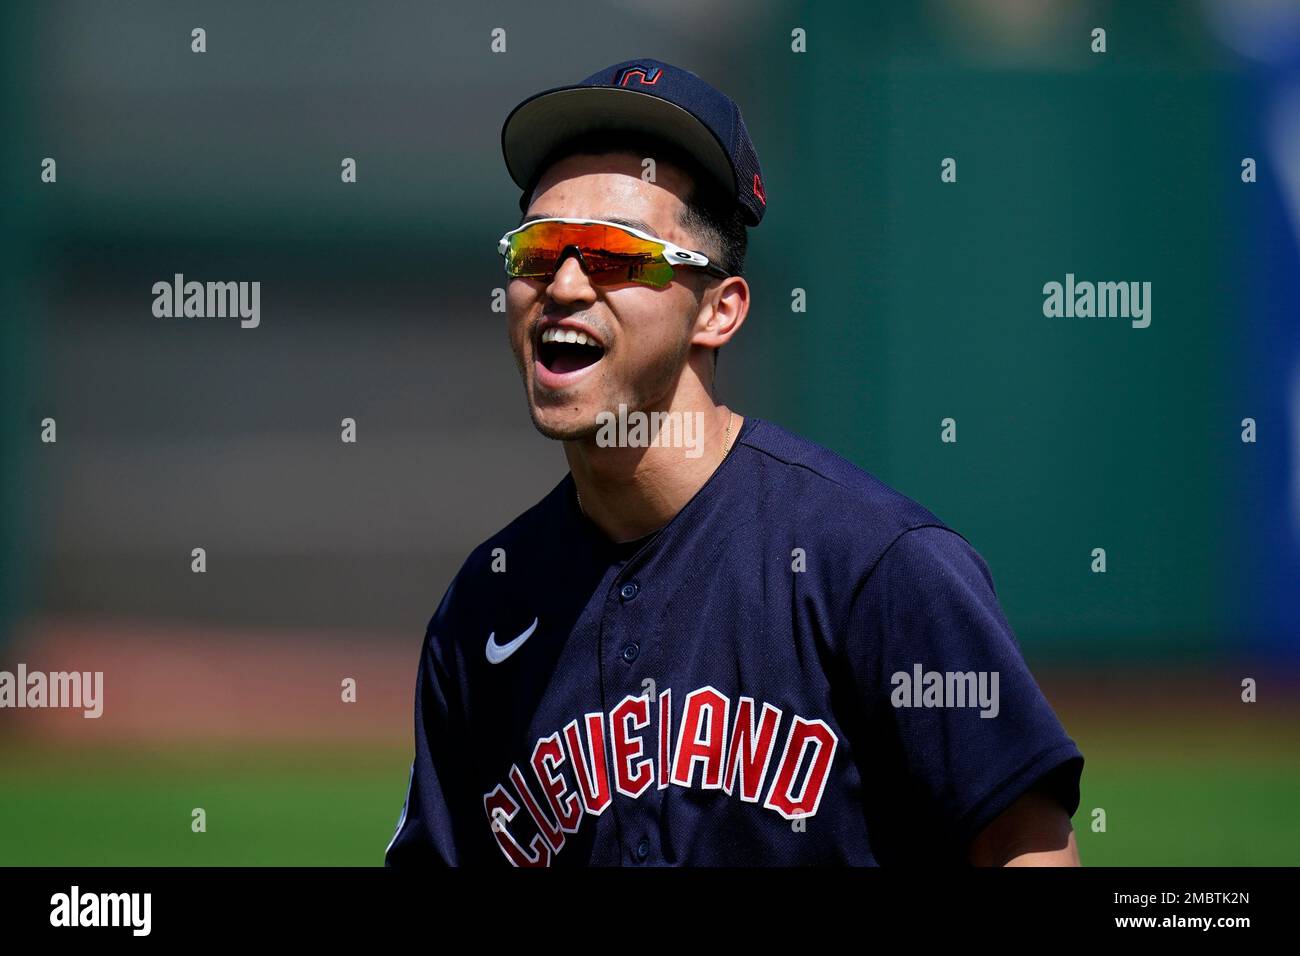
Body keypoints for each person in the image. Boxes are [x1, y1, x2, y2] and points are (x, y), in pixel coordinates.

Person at [385, 58, 1083, 867]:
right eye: (539, 250)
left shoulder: (873, 565)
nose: (565, 283)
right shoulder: (486, 605)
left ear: (718, 311)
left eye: (614, 255)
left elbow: (1026, 847)